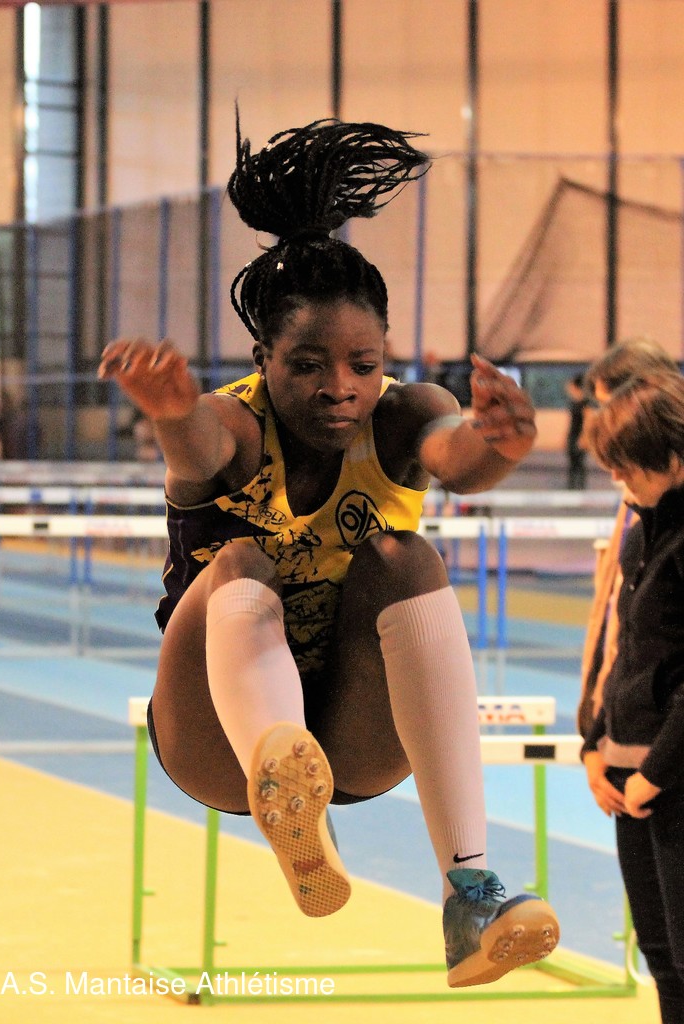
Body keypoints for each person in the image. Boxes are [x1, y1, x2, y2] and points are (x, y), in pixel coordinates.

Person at [99, 116, 558, 987]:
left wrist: (504, 440)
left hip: (353, 729)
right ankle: (283, 784)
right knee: (240, 562)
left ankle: (471, 895)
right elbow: (196, 447)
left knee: (407, 556)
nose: (338, 388)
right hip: (216, 737)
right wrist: (170, 411)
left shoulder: (405, 413)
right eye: (307, 364)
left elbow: (460, 461)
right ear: (262, 358)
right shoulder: (233, 422)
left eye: (361, 363)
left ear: (385, 360)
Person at [582, 372, 684, 1024]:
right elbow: (624, 651)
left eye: (627, 466)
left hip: (669, 781)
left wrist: (655, 774)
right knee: (663, 962)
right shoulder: (640, 534)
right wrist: (595, 745)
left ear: (672, 458)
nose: (617, 480)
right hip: (628, 780)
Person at [577, 339, 680, 738]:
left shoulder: (653, 491)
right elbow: (621, 620)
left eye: (612, 406)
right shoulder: (637, 499)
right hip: (624, 717)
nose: (607, 420)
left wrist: (652, 768)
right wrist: (601, 724)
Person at [564, 372, 588, 490]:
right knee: (572, 462)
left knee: (579, 463)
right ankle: (572, 486)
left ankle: (580, 487)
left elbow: (587, 421)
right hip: (573, 435)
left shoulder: (585, 403)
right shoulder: (574, 402)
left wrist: (583, 437)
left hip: (579, 435)